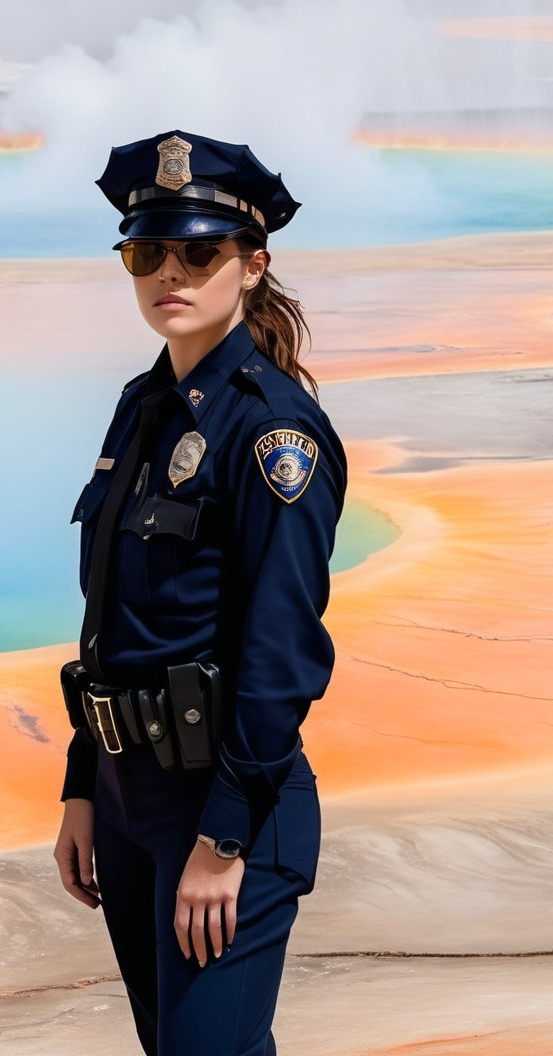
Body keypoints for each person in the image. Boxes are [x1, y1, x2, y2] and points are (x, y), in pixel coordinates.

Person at [53, 129, 345, 1056]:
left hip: (224, 806)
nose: (168, 272)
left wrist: (222, 844)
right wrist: (82, 787)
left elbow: (280, 653)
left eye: (199, 251)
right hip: (128, 798)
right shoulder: (142, 407)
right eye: (147, 251)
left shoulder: (274, 436)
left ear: (253, 265)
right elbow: (114, 621)